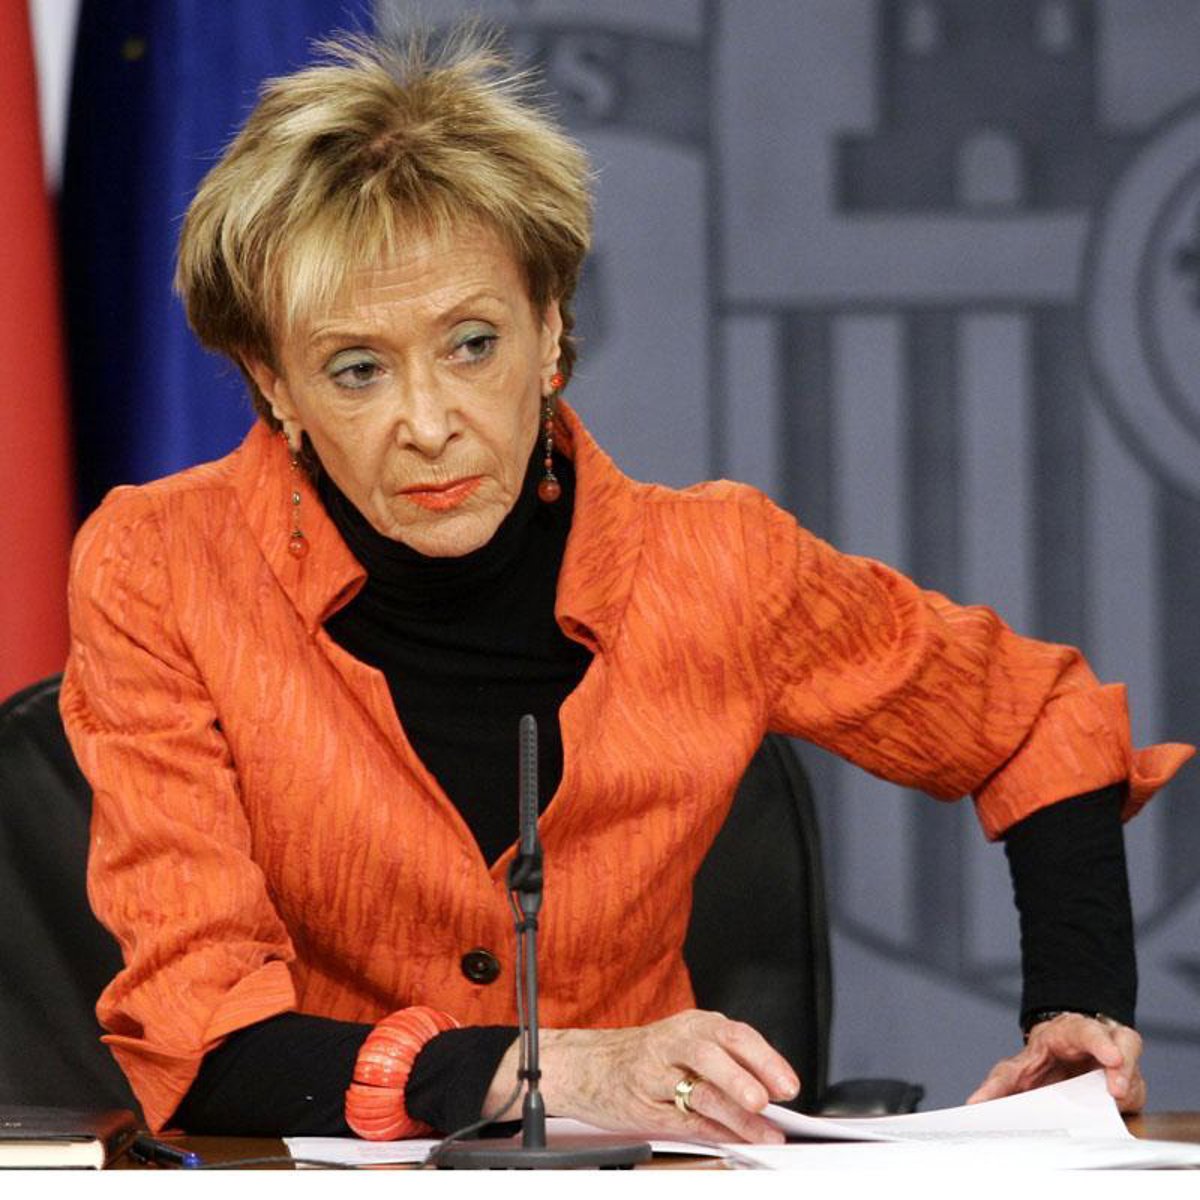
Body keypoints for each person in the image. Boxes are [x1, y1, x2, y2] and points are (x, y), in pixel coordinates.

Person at [60, 30, 1193, 1144]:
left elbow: (1032, 719)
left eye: (471, 344)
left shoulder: (716, 563)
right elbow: (201, 1034)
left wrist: (1076, 1010)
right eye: (357, 369)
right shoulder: (161, 565)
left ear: (550, 329)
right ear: (275, 386)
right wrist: (546, 1070)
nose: (429, 422)